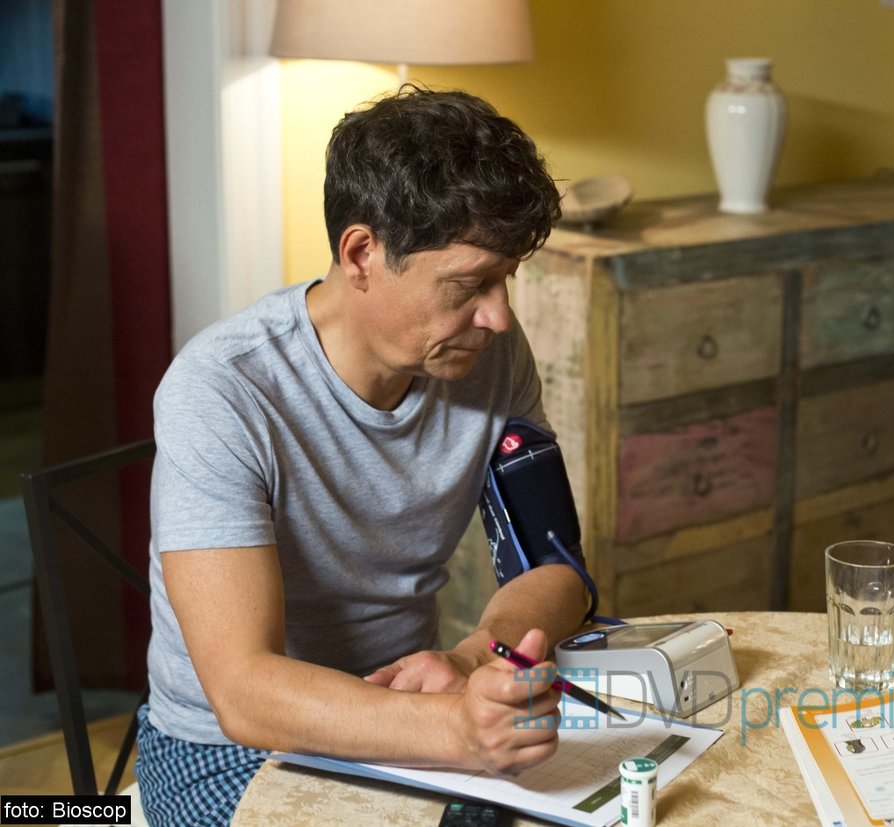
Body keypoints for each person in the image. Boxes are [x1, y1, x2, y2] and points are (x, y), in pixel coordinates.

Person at [135, 86, 589, 826]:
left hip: (412, 717)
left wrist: (477, 658)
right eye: (470, 283)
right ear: (361, 254)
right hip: (229, 748)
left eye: (506, 278)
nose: (499, 315)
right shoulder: (221, 389)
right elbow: (244, 692)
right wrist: (455, 729)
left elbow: (555, 568)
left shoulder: (489, 353)